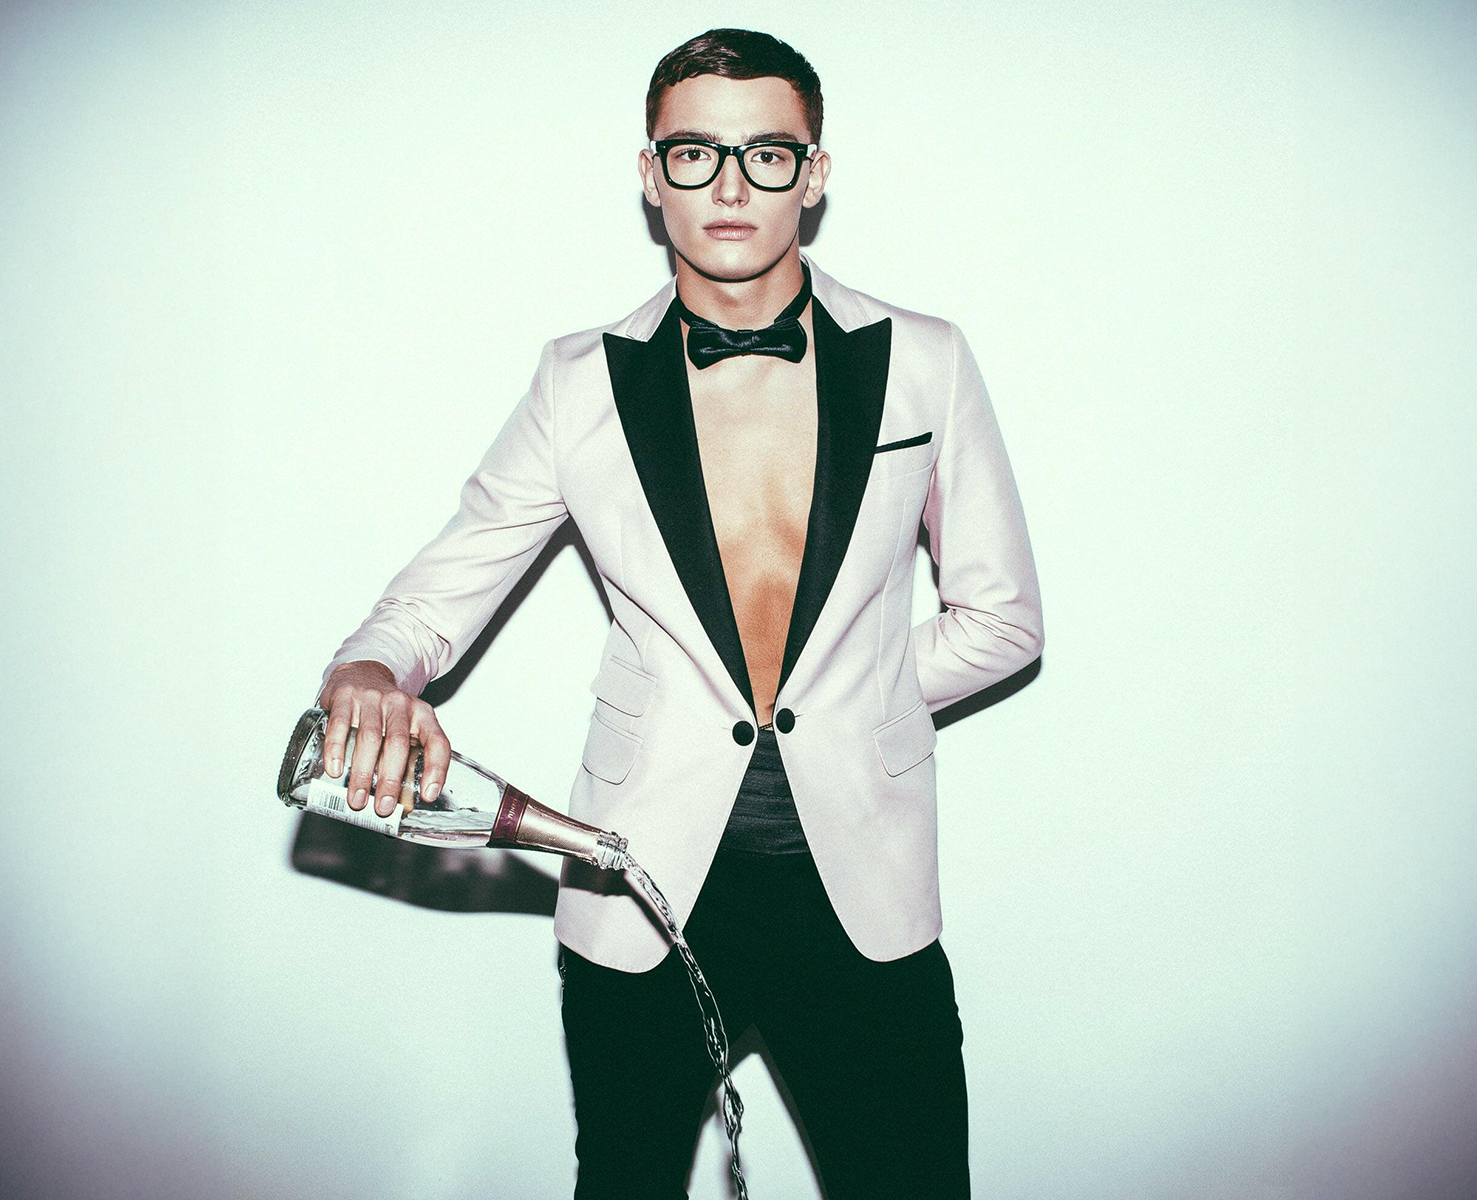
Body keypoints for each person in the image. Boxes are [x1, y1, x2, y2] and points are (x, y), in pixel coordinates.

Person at [314, 27, 1043, 1199]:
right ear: (650, 175)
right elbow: (440, 588)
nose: (732, 186)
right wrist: (367, 670)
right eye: (696, 154)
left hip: (864, 893)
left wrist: (841, 704)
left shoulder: (926, 362)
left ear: (814, 173)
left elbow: (1003, 619)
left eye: (766, 154)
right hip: (632, 883)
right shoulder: (578, 378)